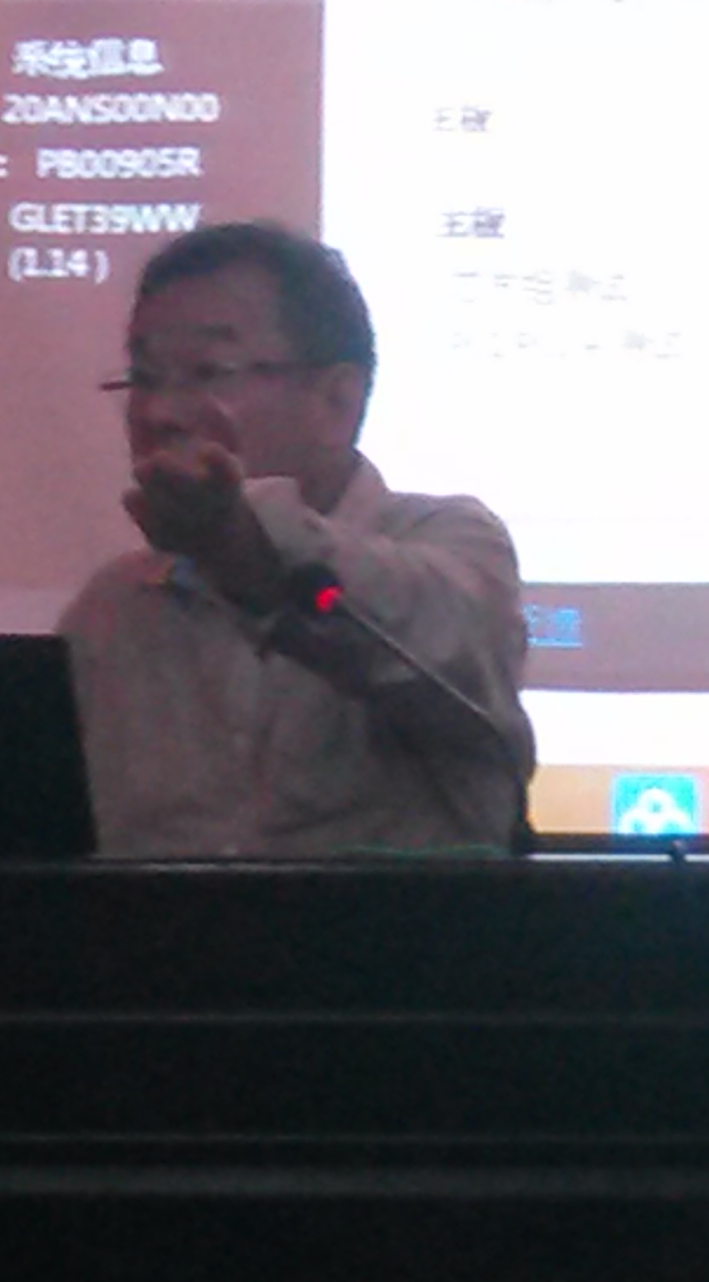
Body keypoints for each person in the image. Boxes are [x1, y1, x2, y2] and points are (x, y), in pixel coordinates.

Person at [56, 221, 533, 856]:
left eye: (207, 371)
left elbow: (437, 650)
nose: (158, 413)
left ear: (337, 401)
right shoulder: (114, 608)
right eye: (145, 377)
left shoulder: (452, 543)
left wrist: (249, 550)